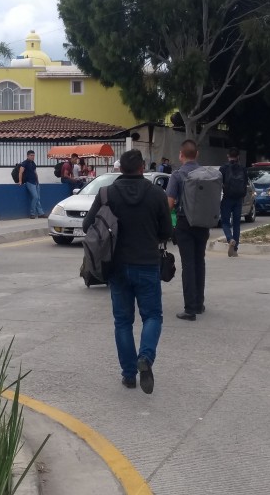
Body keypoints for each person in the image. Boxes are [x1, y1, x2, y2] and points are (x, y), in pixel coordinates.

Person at [83, 149, 172, 393]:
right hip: (147, 264)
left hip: (117, 266)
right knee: (152, 316)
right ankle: (145, 357)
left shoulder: (106, 194)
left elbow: (87, 225)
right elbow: (166, 231)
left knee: (123, 321)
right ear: (142, 167)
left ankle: (129, 375)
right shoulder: (156, 194)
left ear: (119, 168)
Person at [166, 139, 209, 321]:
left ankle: (190, 309)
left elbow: (169, 203)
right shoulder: (207, 174)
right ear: (197, 154)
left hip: (184, 224)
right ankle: (199, 303)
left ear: (181, 155)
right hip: (203, 223)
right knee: (200, 262)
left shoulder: (177, 175)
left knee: (188, 264)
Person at [219, 147, 247, 258]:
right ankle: (235, 250)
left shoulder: (223, 168)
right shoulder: (242, 169)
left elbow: (218, 183)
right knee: (236, 224)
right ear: (238, 157)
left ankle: (230, 239)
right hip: (238, 199)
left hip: (227, 198)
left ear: (228, 156)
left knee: (225, 222)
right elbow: (245, 183)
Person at [18, 150, 45, 219]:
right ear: (28, 156)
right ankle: (32, 213)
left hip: (35, 183)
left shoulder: (33, 163)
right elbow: (20, 172)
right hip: (29, 182)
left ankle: (40, 213)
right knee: (35, 197)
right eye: (31, 155)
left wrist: (38, 181)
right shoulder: (24, 163)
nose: (33, 157)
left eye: (33, 155)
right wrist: (20, 181)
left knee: (38, 198)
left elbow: (35, 172)